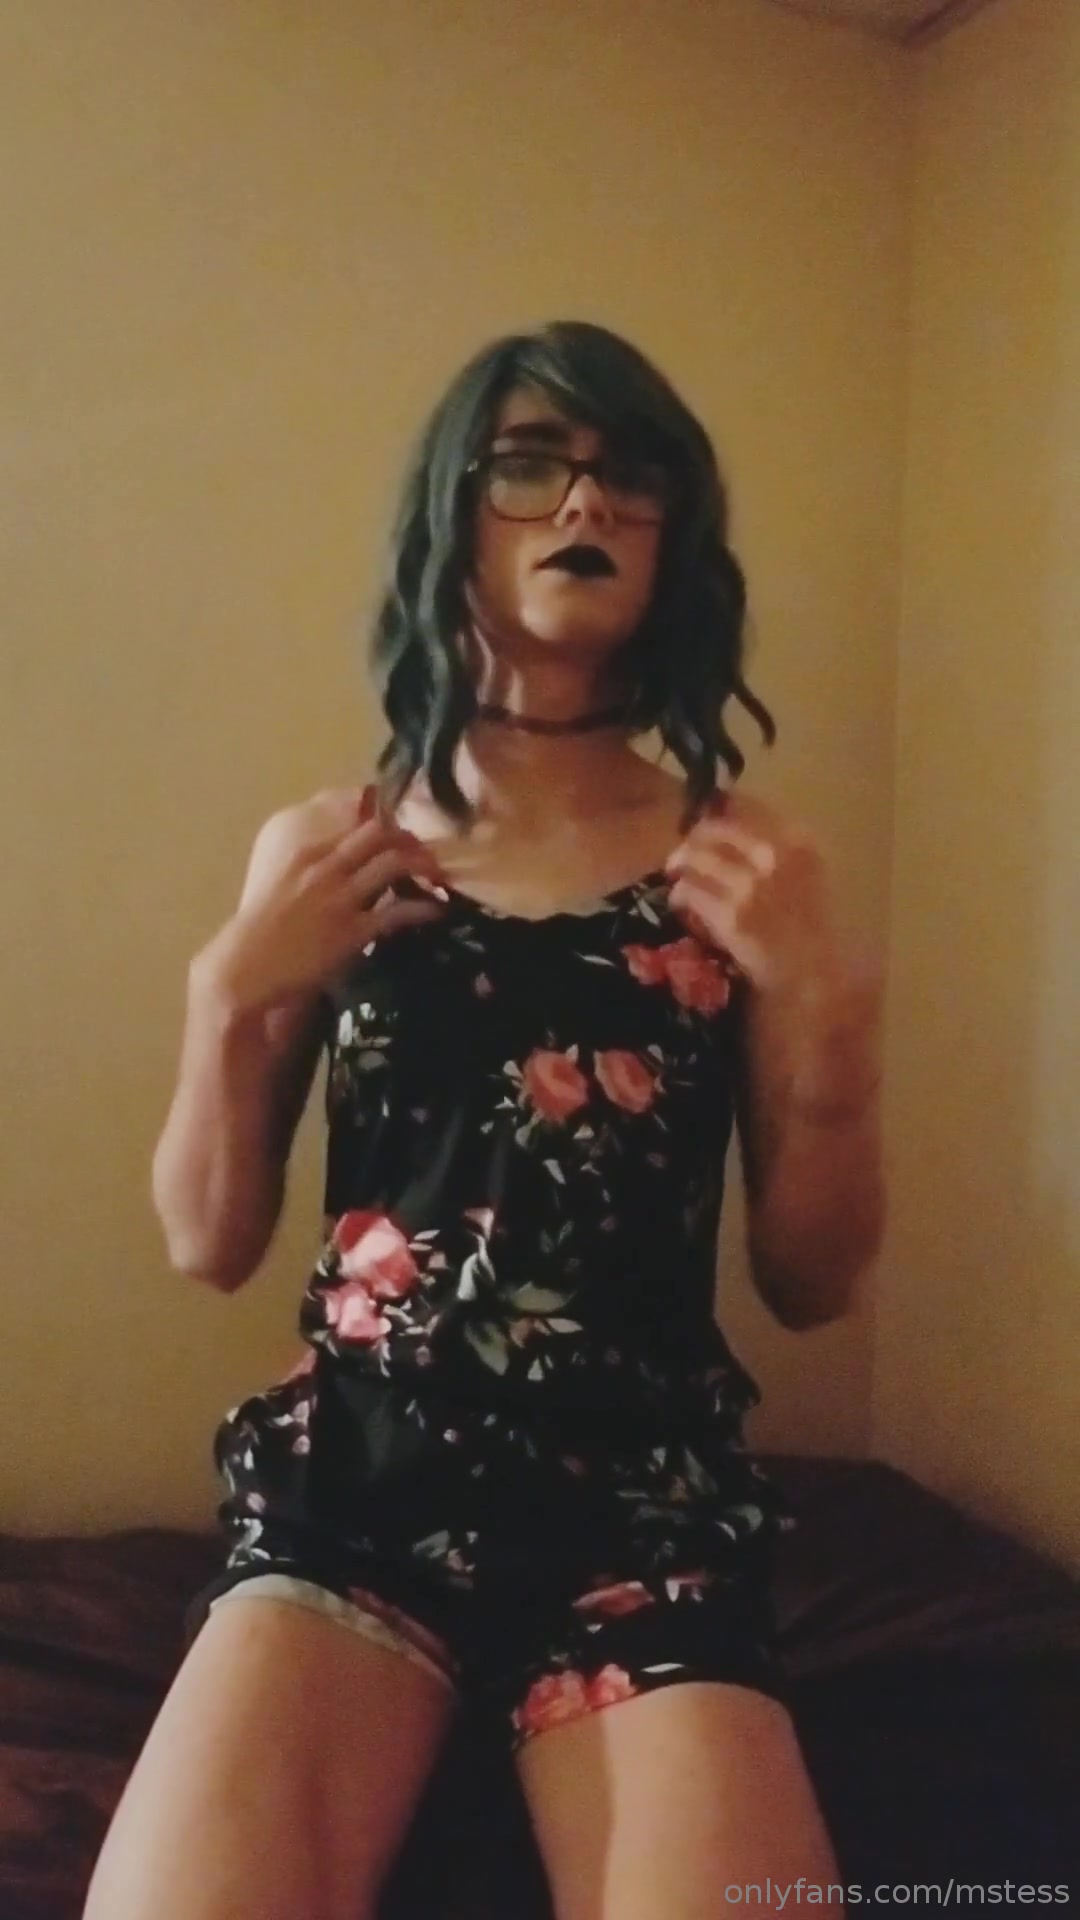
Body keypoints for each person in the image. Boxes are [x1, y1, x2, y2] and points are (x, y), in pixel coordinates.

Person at [84, 320, 885, 1920]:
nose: (584, 502)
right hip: (360, 1486)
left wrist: (831, 1021)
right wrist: (227, 996)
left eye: (627, 474)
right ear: (454, 512)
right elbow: (206, 1241)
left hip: (643, 1502)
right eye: (530, 464)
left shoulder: (747, 866)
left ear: (672, 538)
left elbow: (811, 1281)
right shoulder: (336, 851)